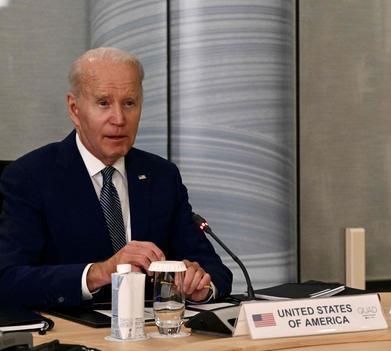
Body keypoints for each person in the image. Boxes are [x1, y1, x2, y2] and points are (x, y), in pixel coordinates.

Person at [0, 48, 232, 307]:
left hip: (154, 336)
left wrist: (201, 284)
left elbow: (216, 270)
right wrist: (99, 273)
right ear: (75, 109)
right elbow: (8, 279)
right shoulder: (30, 177)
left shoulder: (162, 176)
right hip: (74, 336)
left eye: (129, 103)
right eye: (103, 103)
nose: (119, 119)